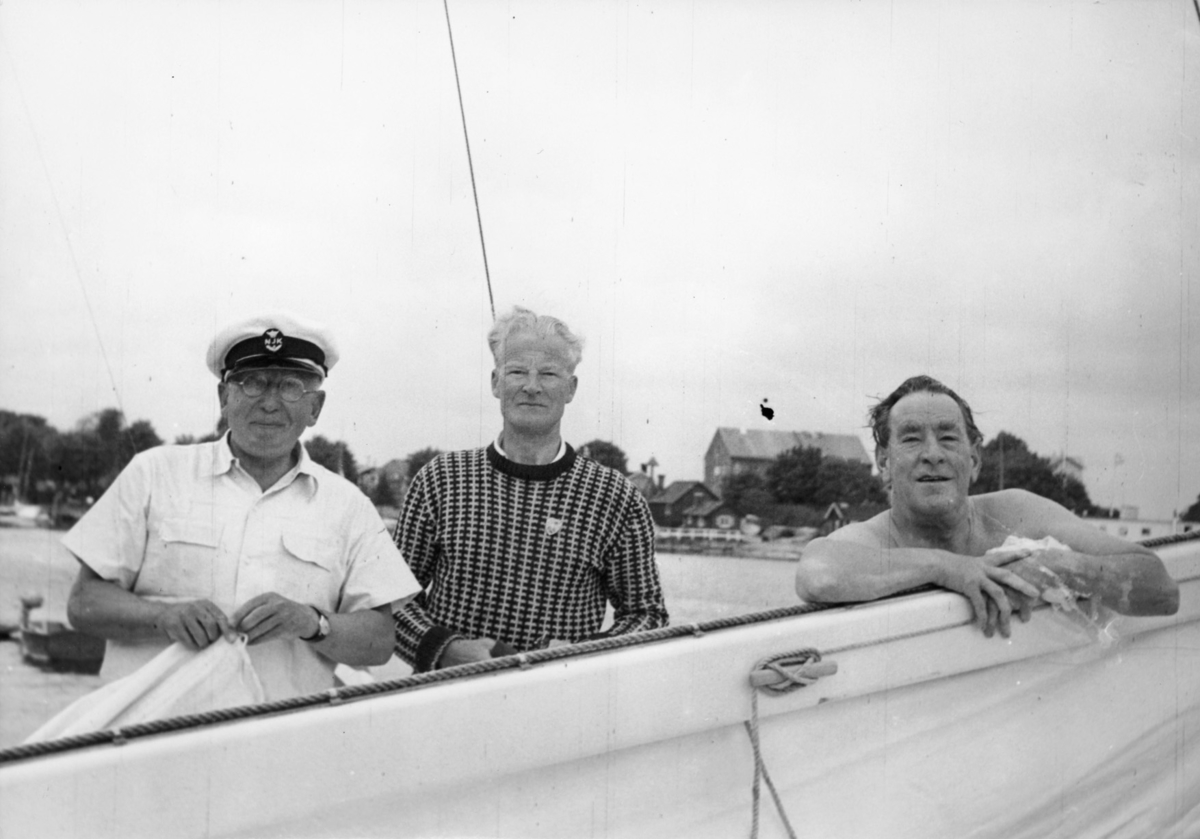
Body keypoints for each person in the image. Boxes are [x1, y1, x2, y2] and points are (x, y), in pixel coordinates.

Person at [65, 312, 420, 700]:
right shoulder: (153, 473)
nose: (270, 403)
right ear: (224, 397)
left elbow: (380, 641)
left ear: (315, 408)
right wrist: (163, 617)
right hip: (149, 737)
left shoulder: (349, 506)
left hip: (278, 745)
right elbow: (84, 604)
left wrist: (312, 622)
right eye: (252, 383)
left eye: (290, 387)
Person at [795, 375, 1179, 638]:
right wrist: (949, 568)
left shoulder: (1018, 513)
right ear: (884, 461)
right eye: (911, 440)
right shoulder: (871, 539)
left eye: (948, 437)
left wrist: (1060, 568)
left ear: (975, 459)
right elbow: (817, 575)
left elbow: (1160, 589)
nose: (932, 454)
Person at [393, 306, 669, 672]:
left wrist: (581, 654)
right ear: (495, 382)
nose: (532, 386)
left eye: (549, 374)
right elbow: (390, 598)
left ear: (570, 388)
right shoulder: (440, 479)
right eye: (517, 371)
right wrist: (445, 649)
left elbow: (647, 615)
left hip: (561, 705)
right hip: (446, 698)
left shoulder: (615, 496)